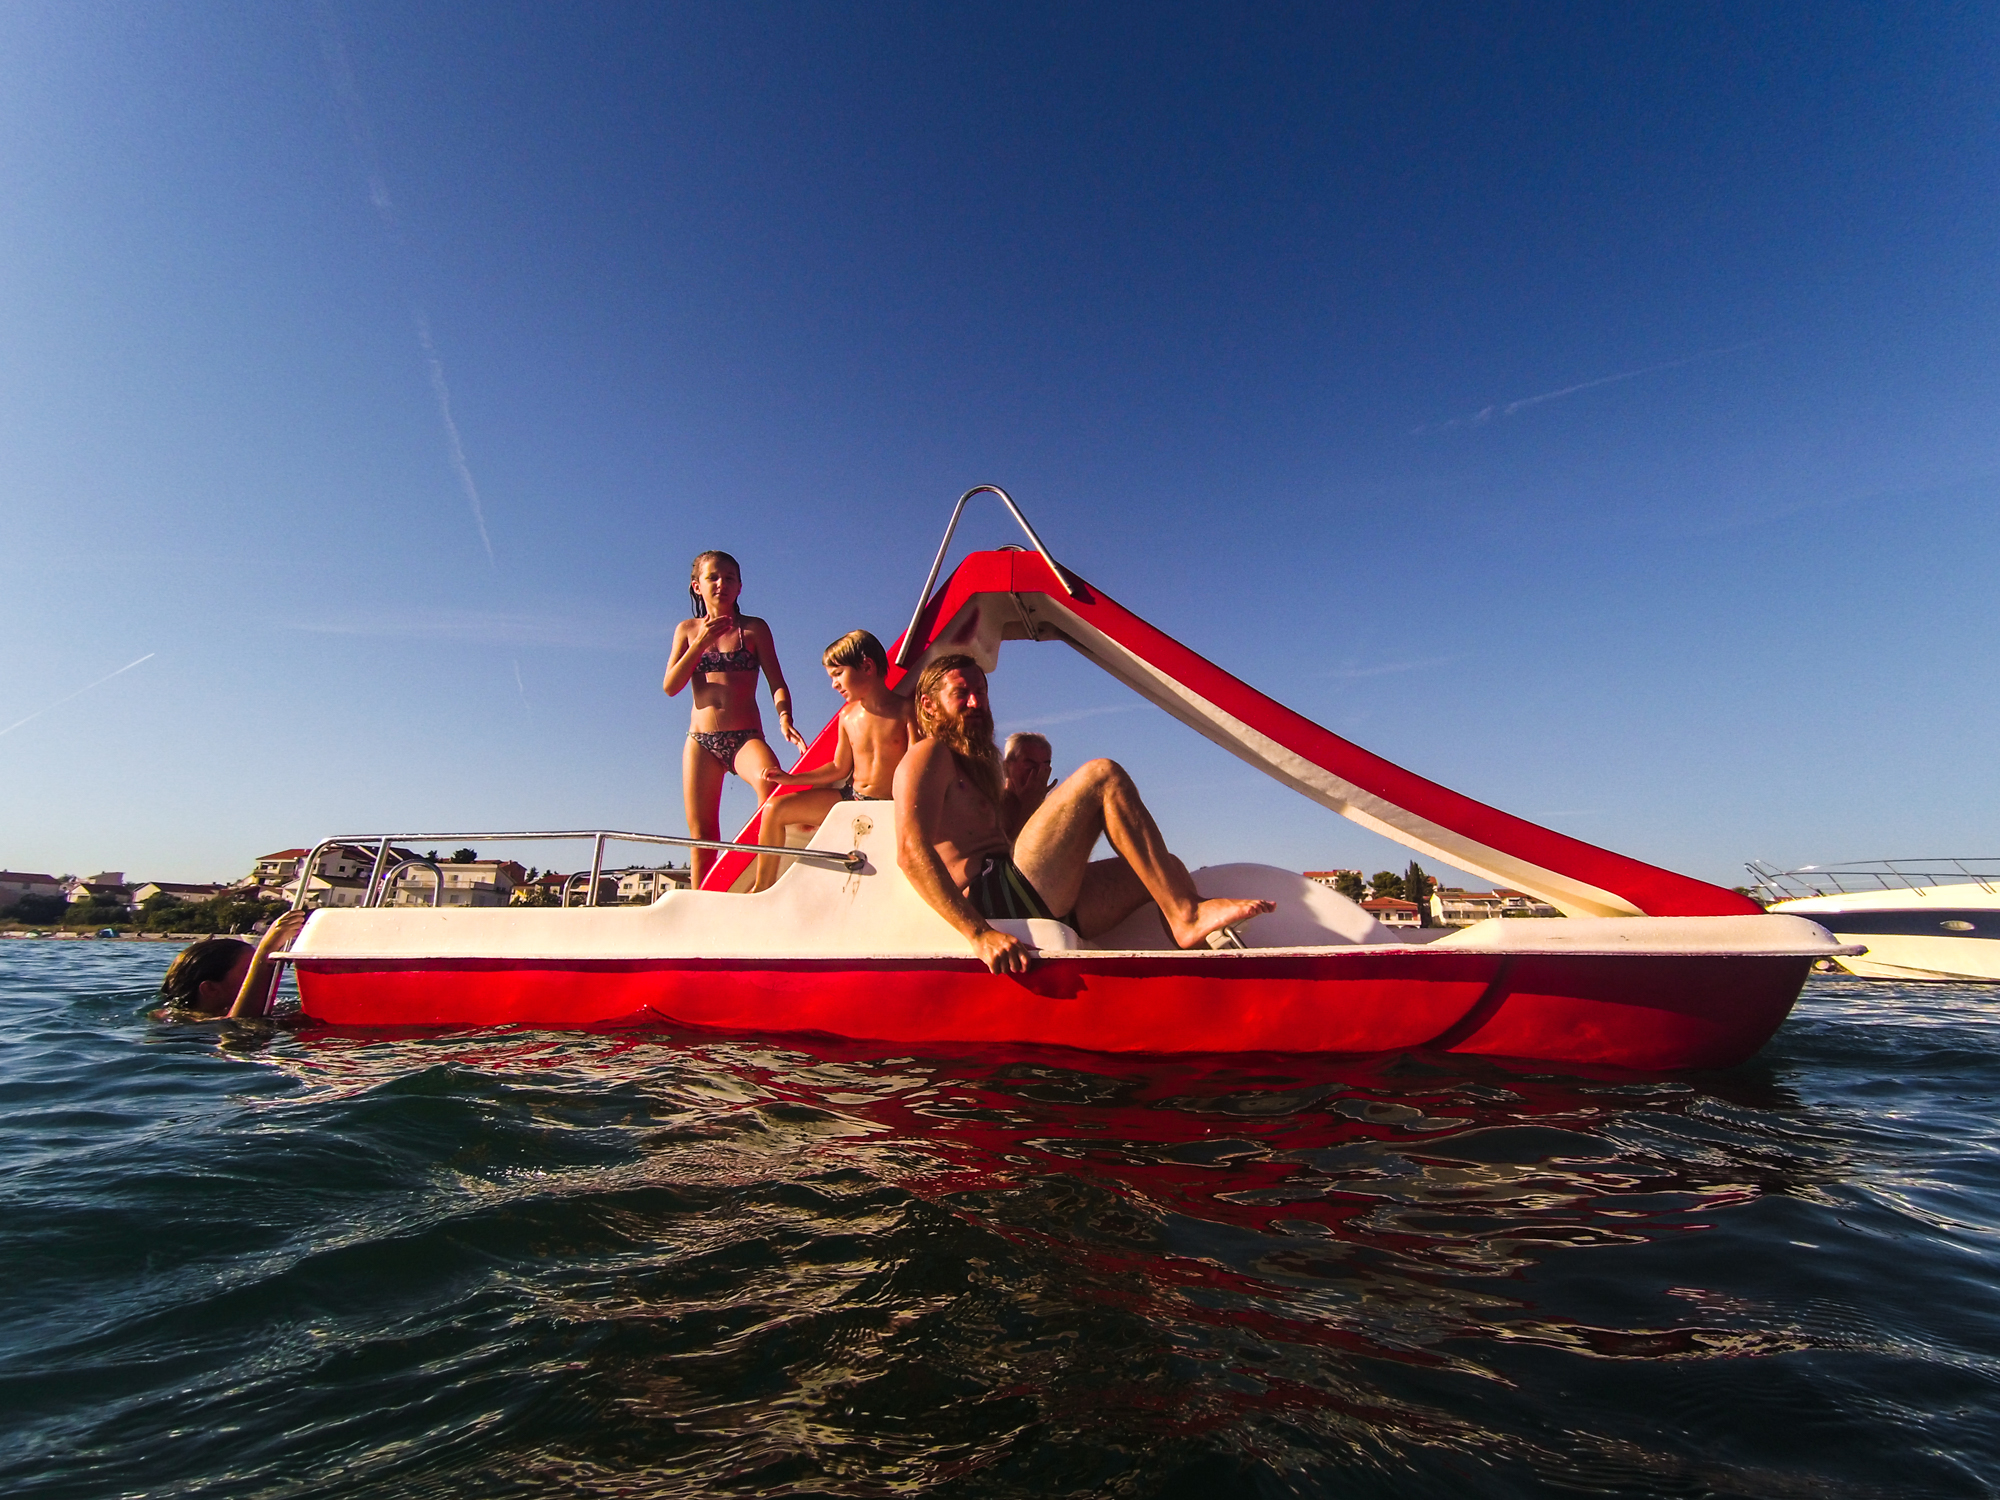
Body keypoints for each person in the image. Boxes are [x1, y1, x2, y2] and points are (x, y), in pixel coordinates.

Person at [895, 654, 1273, 975]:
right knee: (1102, 775)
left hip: (1033, 897)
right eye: (962, 693)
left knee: (1167, 870)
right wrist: (978, 935)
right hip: (993, 898)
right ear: (929, 704)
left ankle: (1212, 978)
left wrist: (1027, 802)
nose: (977, 703)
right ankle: (1186, 916)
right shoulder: (929, 754)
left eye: (982, 692)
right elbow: (911, 851)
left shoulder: (978, 766)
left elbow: (1007, 841)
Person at [663, 550, 811, 886]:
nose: (721, 584)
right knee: (702, 834)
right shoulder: (687, 630)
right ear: (696, 587)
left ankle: (764, 885)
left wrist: (784, 717)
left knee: (773, 788)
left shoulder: (754, 629)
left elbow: (777, 681)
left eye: (730, 578)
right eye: (713, 577)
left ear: (740, 586)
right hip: (700, 742)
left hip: (746, 737)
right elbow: (671, 686)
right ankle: (701, 903)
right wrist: (701, 642)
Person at [750, 629, 914, 891]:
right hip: (853, 799)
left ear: (867, 666)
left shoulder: (906, 711)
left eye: (838, 674)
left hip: (891, 806)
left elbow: (917, 766)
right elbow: (838, 767)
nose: (834, 684)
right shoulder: (847, 717)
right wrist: (792, 779)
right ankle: (762, 888)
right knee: (774, 809)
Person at [156, 909, 311, 1018]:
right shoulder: (182, 1022)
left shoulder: (276, 1010)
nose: (257, 974)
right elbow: (239, 1029)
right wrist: (265, 952)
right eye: (250, 970)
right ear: (210, 989)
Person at [1001, 731, 1055, 842]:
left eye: (1045, 765)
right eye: (1030, 764)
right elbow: (998, 855)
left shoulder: (1051, 811)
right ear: (1007, 767)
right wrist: (1027, 809)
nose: (1039, 772)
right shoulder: (990, 809)